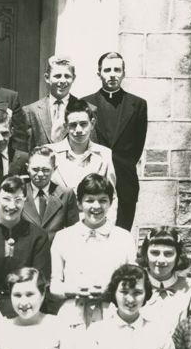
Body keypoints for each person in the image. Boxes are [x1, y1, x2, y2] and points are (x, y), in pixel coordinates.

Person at [49, 174, 136, 331]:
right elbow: (54, 285)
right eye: (89, 200)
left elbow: (133, 283)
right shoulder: (64, 237)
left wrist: (108, 290)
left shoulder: (124, 238)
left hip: (112, 315)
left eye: (103, 200)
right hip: (72, 316)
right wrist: (74, 289)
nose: (96, 206)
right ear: (79, 203)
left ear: (110, 202)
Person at [0, 176, 51, 329]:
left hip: (29, 311)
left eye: (18, 200)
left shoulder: (38, 237)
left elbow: (40, 286)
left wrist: (22, 321)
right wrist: (1, 324)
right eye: (6, 199)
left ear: (25, 201)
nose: (11, 205)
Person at [84, 51, 148, 231]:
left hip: (125, 179)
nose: (112, 74)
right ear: (99, 74)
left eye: (117, 70)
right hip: (94, 175)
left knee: (122, 231)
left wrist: (123, 165)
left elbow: (138, 145)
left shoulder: (138, 105)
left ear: (123, 73)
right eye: (107, 70)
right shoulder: (85, 103)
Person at [48, 97, 118, 218]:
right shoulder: (51, 153)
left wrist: (107, 229)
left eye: (83, 124)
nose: (78, 130)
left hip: (92, 224)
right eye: (73, 125)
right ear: (66, 126)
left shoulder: (104, 154)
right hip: (58, 225)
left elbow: (111, 197)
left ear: (92, 123)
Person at [21, 146, 79, 244]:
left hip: (55, 255)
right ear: (27, 168)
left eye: (45, 170)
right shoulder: (19, 193)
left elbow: (73, 232)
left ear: (54, 169)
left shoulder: (66, 194)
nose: (40, 174)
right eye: (35, 169)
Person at [23, 55, 76, 148]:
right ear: (47, 78)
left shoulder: (86, 109)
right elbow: (26, 149)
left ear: (73, 78)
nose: (63, 80)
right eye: (57, 76)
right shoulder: (30, 111)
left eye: (67, 76)